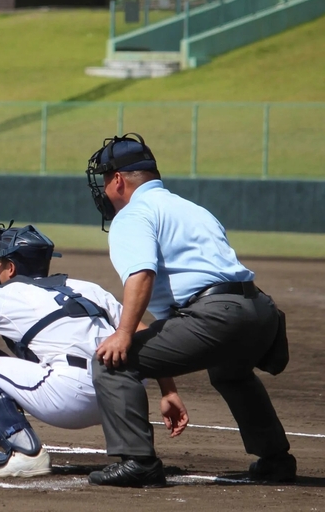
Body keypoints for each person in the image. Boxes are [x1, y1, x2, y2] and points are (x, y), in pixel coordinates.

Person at [0, 221, 188, 478]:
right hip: (125, 395)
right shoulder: (88, 288)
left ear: (11, 267)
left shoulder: (7, 296)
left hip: (73, 398)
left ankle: (25, 455)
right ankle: (134, 451)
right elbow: (142, 332)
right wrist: (169, 392)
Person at [84, 133, 294, 487]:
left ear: (118, 180)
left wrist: (123, 334)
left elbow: (141, 275)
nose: (104, 190)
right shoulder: (191, 208)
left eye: (105, 181)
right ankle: (275, 460)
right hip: (260, 313)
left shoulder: (133, 215)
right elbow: (177, 313)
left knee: (111, 362)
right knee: (231, 372)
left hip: (217, 316)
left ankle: (139, 461)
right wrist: (169, 390)